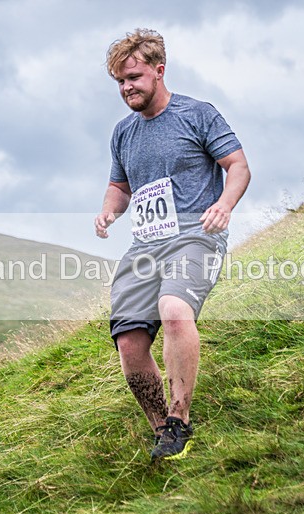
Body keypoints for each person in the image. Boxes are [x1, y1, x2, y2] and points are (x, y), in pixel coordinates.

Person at [95, 28, 251, 461]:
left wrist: (223, 204)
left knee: (174, 310)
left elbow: (237, 166)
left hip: (195, 235)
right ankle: (163, 429)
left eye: (134, 77)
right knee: (128, 341)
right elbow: (119, 186)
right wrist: (109, 210)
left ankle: (181, 418)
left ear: (158, 71)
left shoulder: (197, 114)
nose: (127, 87)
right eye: (120, 82)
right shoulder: (123, 133)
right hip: (145, 245)